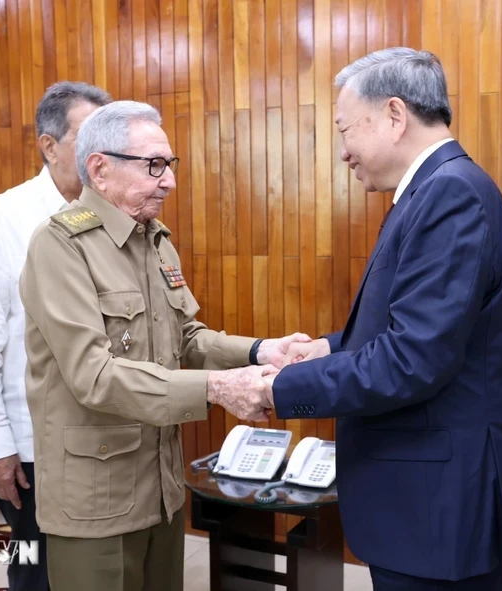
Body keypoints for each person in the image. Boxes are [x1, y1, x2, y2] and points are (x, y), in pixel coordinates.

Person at [18, 99, 309, 591]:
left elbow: (187, 338)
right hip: (96, 500)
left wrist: (260, 351)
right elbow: (95, 375)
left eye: (169, 165)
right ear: (100, 168)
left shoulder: (154, 240)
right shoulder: (60, 247)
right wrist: (216, 388)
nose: (169, 180)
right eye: (154, 165)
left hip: (161, 488)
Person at [270, 48, 502, 590]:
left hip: (442, 510)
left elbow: (413, 358)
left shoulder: (450, 194)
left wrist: (278, 389)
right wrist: (329, 348)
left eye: (346, 130)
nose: (343, 152)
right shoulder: (429, 191)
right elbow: (421, 325)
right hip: (422, 504)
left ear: (394, 115)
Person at [0, 81, 112, 591]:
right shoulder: (3, 217)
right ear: (49, 146)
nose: (101, 152)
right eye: (88, 136)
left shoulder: (109, 214)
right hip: (31, 445)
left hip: (103, 434)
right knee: (39, 574)